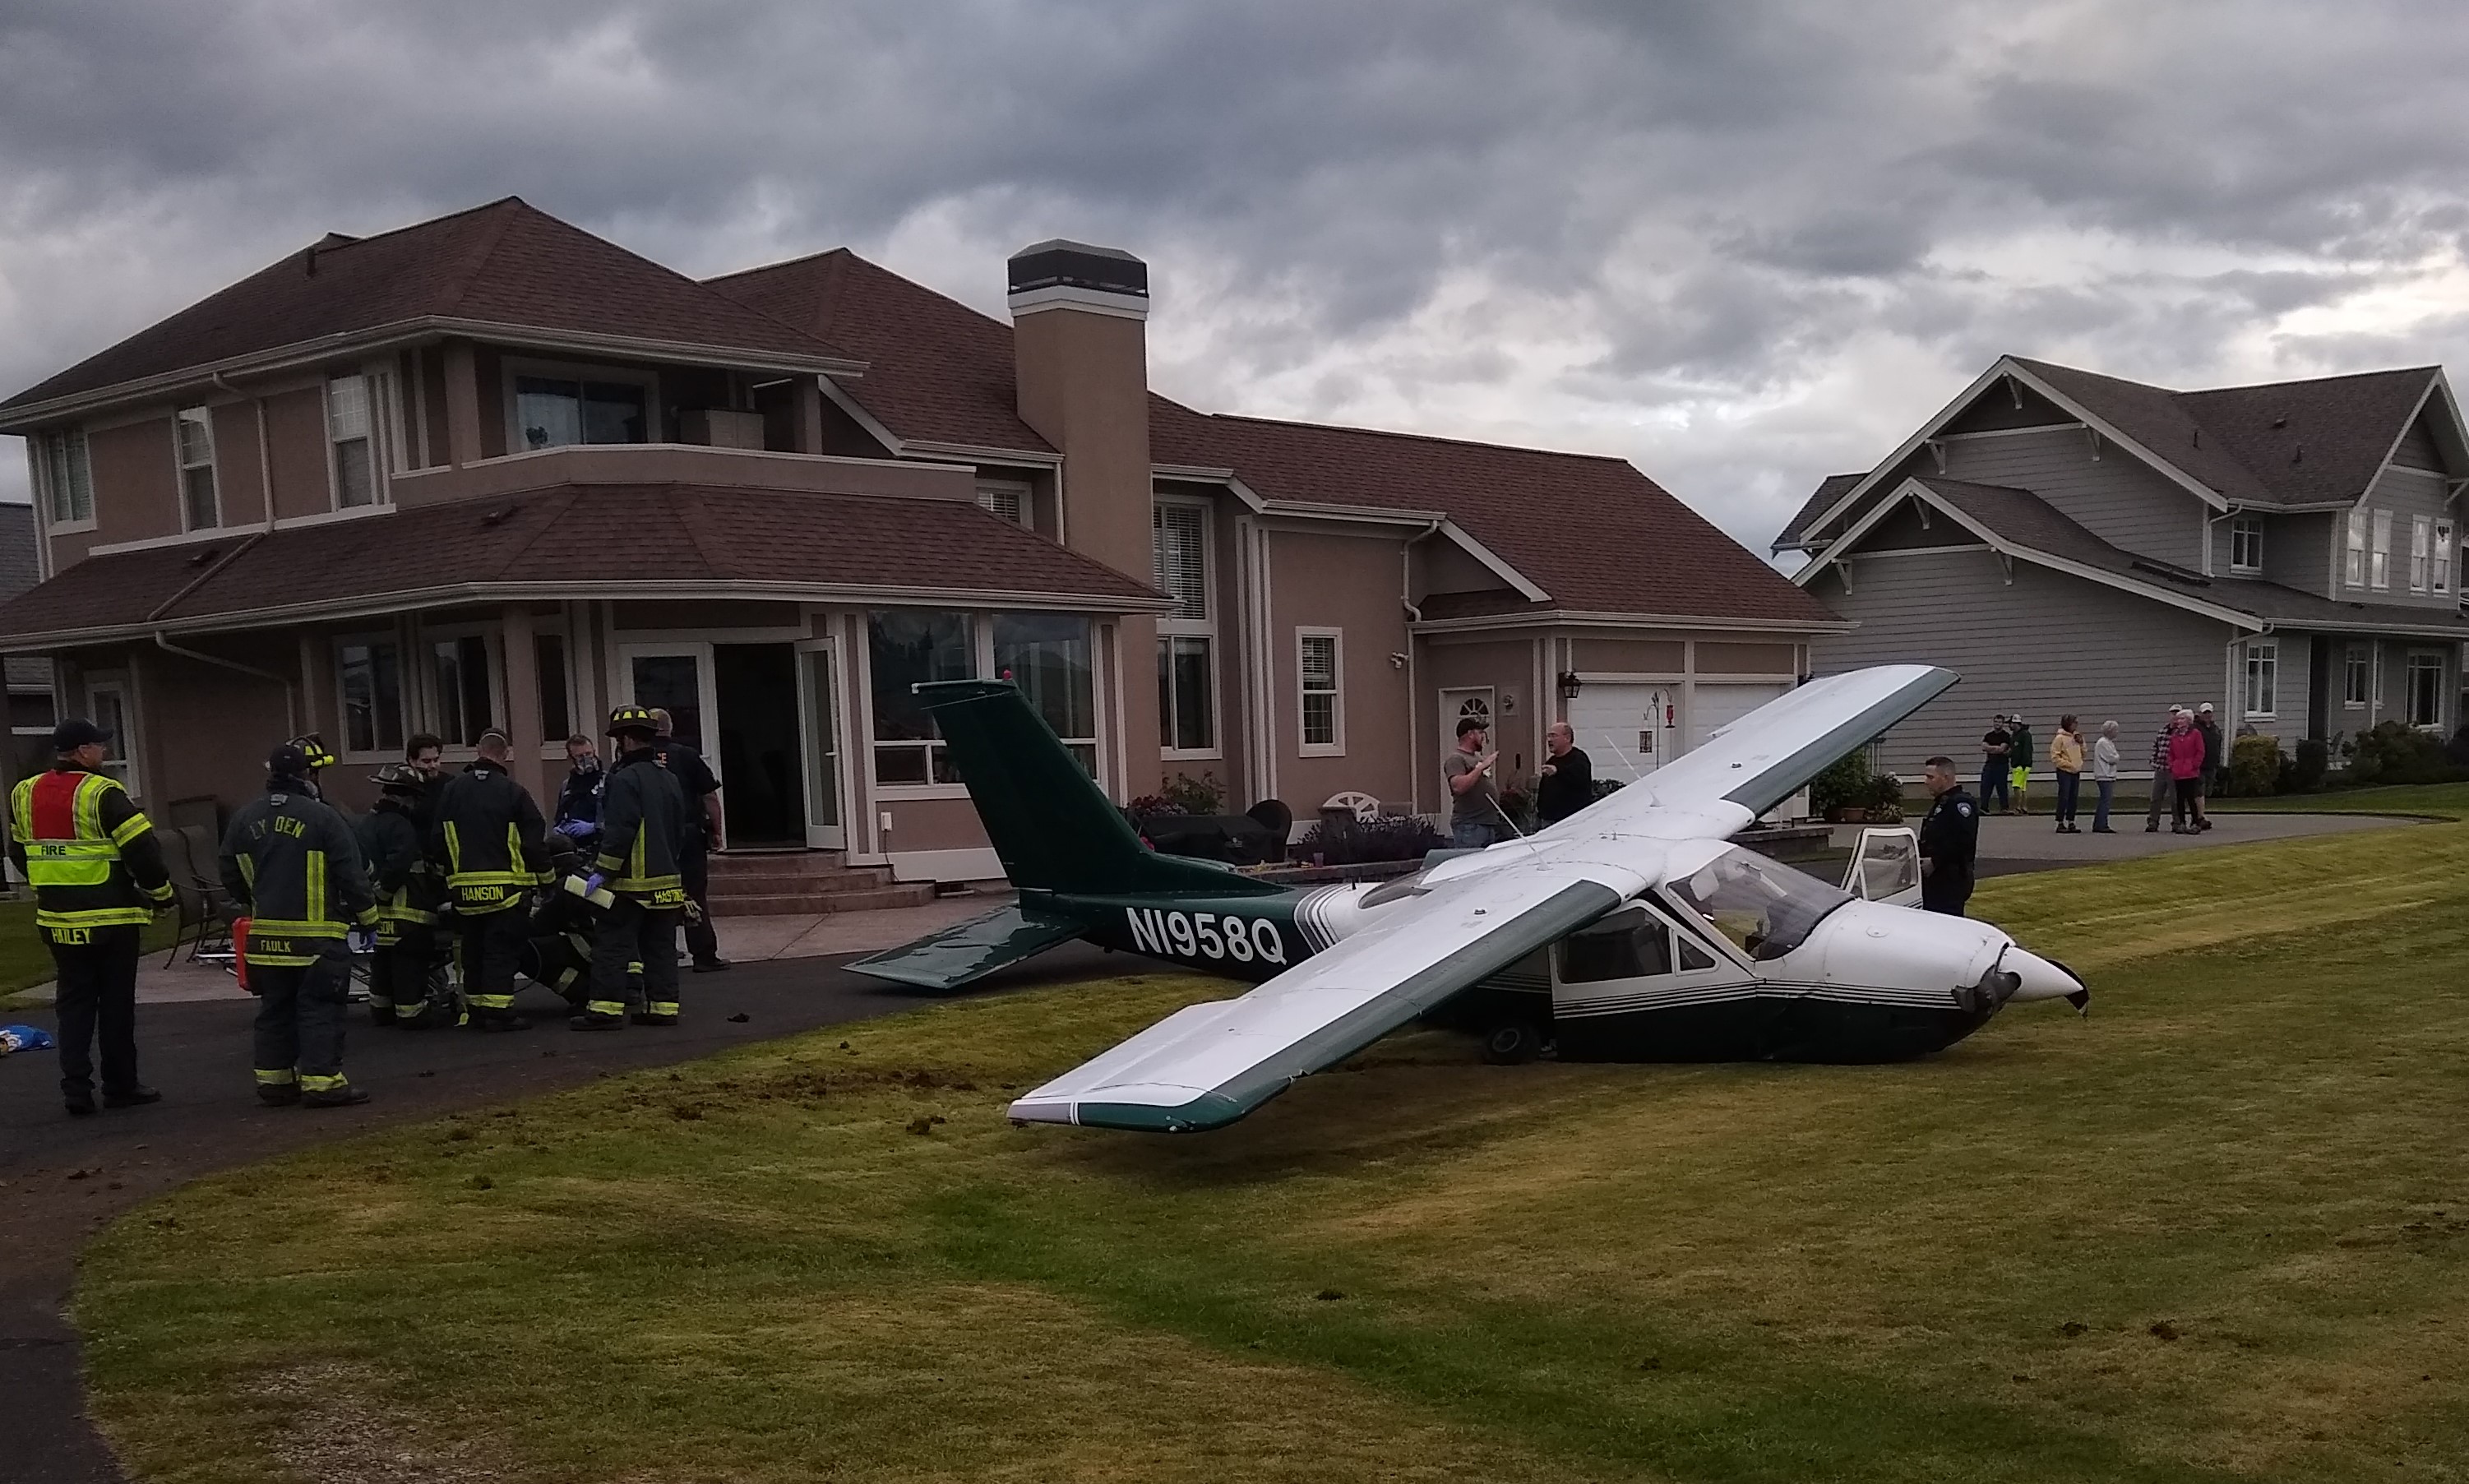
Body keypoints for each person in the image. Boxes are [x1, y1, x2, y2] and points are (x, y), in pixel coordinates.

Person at [8, 719, 174, 1117]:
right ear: (83, 752)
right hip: (112, 920)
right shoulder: (103, 793)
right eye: (99, 746)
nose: (103, 752)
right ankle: (120, 1086)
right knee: (115, 1004)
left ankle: (76, 1091)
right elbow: (143, 851)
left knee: (74, 1005)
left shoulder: (24, 792)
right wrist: (161, 895)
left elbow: (17, 851)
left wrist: (49, 882)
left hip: (57, 920)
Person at [220, 742, 377, 1107]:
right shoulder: (324, 818)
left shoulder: (244, 818)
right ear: (306, 775)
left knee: (275, 1009)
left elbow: (229, 871)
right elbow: (351, 875)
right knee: (319, 1010)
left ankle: (274, 1082)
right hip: (317, 941)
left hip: (267, 940)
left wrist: (259, 901)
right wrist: (369, 918)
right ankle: (323, 1085)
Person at [574, 705, 691, 1030]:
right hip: (667, 881)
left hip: (631, 885)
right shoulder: (668, 778)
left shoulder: (624, 779)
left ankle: (605, 1012)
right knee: (660, 949)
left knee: (612, 947)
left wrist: (603, 871)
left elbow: (621, 829)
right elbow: (679, 829)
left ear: (625, 740)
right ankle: (663, 1009)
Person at [432, 729, 553, 1029]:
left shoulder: (452, 791)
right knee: (500, 952)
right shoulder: (514, 792)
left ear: (477, 751)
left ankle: (475, 1010)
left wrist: (449, 879)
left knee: (472, 951)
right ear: (506, 754)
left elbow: (437, 840)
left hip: (465, 894)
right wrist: (548, 882)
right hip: (507, 892)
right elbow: (533, 843)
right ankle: (499, 1012)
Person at [354, 763, 456, 1029]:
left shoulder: (367, 824)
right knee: (409, 964)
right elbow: (400, 865)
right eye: (413, 798)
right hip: (407, 914)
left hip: (380, 916)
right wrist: (387, 892)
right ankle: (412, 1014)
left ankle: (381, 1010)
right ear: (403, 797)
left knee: (383, 964)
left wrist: (376, 895)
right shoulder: (401, 826)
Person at [650, 708, 729, 973]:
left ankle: (662, 953)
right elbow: (709, 797)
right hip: (688, 835)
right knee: (694, 895)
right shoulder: (686, 755)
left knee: (657, 895)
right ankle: (704, 955)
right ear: (669, 728)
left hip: (653, 838)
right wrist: (717, 831)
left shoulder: (638, 759)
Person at [1915, 756, 1980, 917]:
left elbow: (1964, 841)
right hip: (1937, 878)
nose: (1926, 781)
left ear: (1946, 778)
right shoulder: (1942, 803)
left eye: (1930, 777)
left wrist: (1935, 861)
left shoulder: (1960, 804)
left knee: (1947, 923)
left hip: (1951, 878)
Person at [1443, 717, 1510, 848]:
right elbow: (1458, 787)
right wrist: (1480, 767)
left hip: (1488, 823)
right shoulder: (1456, 759)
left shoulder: (1477, 758)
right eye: (1480, 733)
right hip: (1470, 826)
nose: (1483, 737)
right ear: (1470, 734)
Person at [1534, 720, 1594, 825]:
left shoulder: (1579, 758)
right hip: (1548, 819)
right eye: (1548, 736)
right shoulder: (1551, 761)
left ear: (1567, 738)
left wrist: (1558, 771)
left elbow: (1578, 778)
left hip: (1572, 820)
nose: (1549, 740)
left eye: (1554, 736)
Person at [553, 733, 604, 848]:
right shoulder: (567, 786)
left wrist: (594, 827)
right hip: (574, 849)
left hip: (599, 847)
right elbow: (560, 816)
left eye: (588, 754)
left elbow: (620, 822)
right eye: (580, 756)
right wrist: (560, 829)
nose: (586, 759)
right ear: (571, 759)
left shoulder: (608, 781)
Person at [2144, 707, 2185, 833]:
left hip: (2174, 771)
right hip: (2160, 769)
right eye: (2173, 714)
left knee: (2175, 799)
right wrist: (2153, 761)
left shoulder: (2181, 733)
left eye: (2177, 714)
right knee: (2156, 797)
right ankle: (2153, 822)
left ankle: (2177, 823)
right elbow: (2156, 747)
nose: (2175, 717)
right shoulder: (2162, 731)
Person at [2167, 710, 2207, 834]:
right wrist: (2173, 765)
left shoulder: (2195, 734)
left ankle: (2195, 822)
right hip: (2178, 772)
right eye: (2178, 719)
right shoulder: (2174, 736)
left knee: (2191, 798)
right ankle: (2182, 823)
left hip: (2191, 772)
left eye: (2182, 719)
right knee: (2179, 799)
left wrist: (2194, 765)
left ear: (2188, 720)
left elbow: (2200, 751)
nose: (2179, 721)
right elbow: (2170, 754)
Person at [2049, 715, 2084, 834]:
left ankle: (2071, 821)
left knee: (2073, 797)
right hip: (2065, 771)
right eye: (2074, 723)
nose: (2076, 725)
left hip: (2076, 771)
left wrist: (2082, 743)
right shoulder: (2060, 739)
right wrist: (2068, 765)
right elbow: (2055, 757)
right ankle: (2060, 822)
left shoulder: (2076, 737)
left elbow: (2083, 753)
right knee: (2064, 796)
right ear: (2068, 724)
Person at [2192, 702, 2222, 832]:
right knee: (2200, 792)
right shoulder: (2196, 728)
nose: (2207, 715)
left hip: (2211, 765)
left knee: (2207, 792)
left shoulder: (2215, 729)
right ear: (2200, 714)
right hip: (2199, 765)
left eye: (2209, 713)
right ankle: (2199, 818)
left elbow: (2218, 745)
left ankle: (2199, 816)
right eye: (2205, 713)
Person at [2091, 720, 2121, 834]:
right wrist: (2117, 757)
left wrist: (2116, 756)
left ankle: (2100, 823)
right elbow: (2112, 758)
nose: (2117, 732)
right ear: (2110, 731)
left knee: (2105, 800)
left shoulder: (2109, 742)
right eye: (2115, 730)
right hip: (2104, 775)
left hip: (2108, 775)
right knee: (2105, 800)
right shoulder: (2103, 743)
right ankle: (2101, 824)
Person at [1977, 714, 2013, 814]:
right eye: (1996, 722)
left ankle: (2004, 808)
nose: (1997, 724)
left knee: (2001, 787)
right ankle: (1984, 808)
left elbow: (2002, 749)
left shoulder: (2005, 736)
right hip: (1989, 764)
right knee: (1985, 786)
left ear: (2003, 723)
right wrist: (1996, 749)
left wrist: (1991, 748)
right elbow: (1984, 747)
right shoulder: (1989, 735)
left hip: (2001, 765)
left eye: (1999, 722)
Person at [2005, 714, 2035, 816]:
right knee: (2022, 787)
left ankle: (2018, 807)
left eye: (2010, 723)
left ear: (2015, 723)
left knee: (2017, 786)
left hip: (2021, 765)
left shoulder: (2025, 735)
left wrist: (2023, 763)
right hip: (2020, 764)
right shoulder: (2015, 735)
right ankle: (2024, 807)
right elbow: (2014, 750)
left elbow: (2027, 750)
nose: (2009, 726)